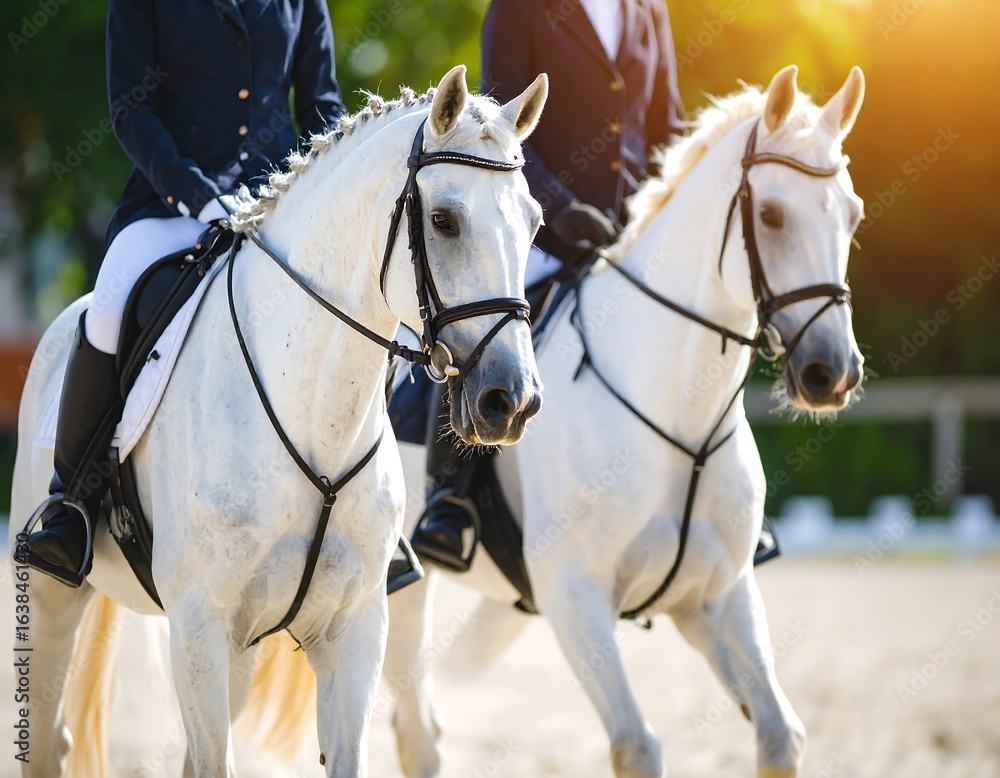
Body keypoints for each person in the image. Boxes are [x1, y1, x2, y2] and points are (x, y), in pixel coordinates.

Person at [21, 0, 346, 586]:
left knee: (352, 298)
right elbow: (131, 108)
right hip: (170, 198)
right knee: (112, 298)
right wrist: (194, 193)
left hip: (278, 200)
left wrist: (324, 192)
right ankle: (70, 504)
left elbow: (320, 103)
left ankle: (362, 504)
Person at [410, 0, 686, 570]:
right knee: (484, 315)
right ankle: (451, 496)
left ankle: (710, 491)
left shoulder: (648, 10)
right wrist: (558, 210)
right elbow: (499, 126)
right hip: (537, 225)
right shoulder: (520, 9)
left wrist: (667, 219)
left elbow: (667, 129)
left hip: (632, 230)